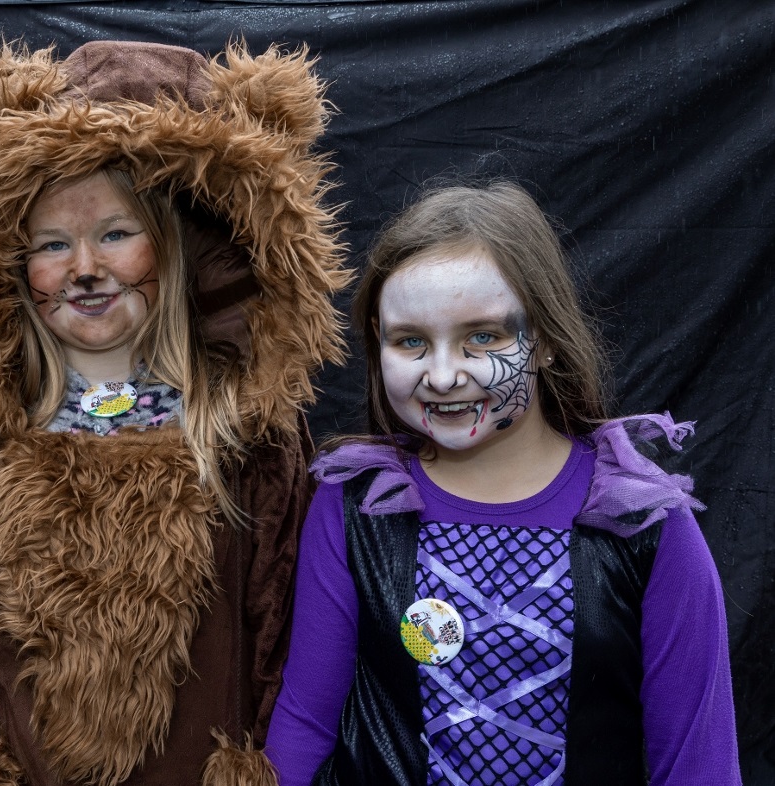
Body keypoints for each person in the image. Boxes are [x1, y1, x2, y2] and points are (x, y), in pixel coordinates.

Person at [0, 39, 350, 786]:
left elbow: (284, 629)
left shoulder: (246, 431)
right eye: (52, 244)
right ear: (13, 265)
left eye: (114, 233)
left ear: (171, 250)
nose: (83, 268)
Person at [264, 180, 741, 786]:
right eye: (411, 341)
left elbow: (700, 764)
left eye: (482, 337)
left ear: (541, 340)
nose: (442, 375)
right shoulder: (357, 507)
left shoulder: (642, 526)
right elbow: (306, 722)